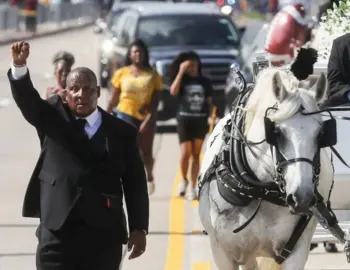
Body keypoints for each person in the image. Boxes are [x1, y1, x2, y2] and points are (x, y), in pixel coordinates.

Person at [8, 41, 149, 270]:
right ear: (66, 92)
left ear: (98, 92)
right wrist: (19, 66)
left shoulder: (122, 133)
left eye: (88, 89)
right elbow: (28, 102)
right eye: (74, 88)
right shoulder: (52, 118)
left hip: (103, 236)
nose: (81, 94)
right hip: (56, 234)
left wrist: (139, 228)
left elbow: (135, 185)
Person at [107, 39, 163, 196]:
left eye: (140, 52)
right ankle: (127, 182)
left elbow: (156, 101)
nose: (138, 54)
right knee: (127, 151)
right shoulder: (121, 73)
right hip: (125, 114)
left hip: (146, 116)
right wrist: (105, 114)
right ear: (130, 55)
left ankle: (149, 176)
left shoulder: (153, 75)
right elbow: (114, 98)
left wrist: (148, 120)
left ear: (145, 54)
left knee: (146, 152)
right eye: (134, 52)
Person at [168, 51, 213, 200]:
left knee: (196, 154)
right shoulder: (182, 81)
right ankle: (184, 180)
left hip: (200, 120)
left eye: (194, 65)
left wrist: (211, 117)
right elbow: (173, 91)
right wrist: (180, 72)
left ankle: (193, 186)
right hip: (184, 120)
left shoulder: (205, 82)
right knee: (185, 153)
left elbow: (209, 102)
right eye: (189, 66)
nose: (192, 68)